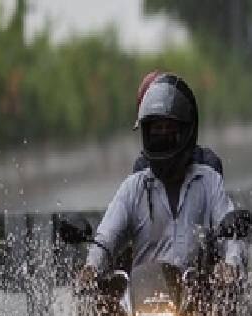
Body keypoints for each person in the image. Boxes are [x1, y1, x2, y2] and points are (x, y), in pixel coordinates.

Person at [76, 73, 243, 297]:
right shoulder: (132, 187)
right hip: (142, 305)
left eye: (169, 131)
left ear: (187, 131)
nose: (162, 137)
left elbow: (229, 235)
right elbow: (106, 238)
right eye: (156, 131)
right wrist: (91, 268)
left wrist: (230, 266)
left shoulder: (209, 182)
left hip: (196, 302)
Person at [131, 70, 224, 177]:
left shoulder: (208, 164)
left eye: (169, 126)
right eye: (157, 128)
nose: (163, 135)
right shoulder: (141, 170)